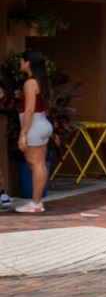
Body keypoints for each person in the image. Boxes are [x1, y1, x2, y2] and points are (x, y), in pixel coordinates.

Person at [14, 50, 53, 213]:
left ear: (28, 62)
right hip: (43, 122)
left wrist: (22, 134)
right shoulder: (42, 80)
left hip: (33, 126)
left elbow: (29, 110)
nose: (20, 63)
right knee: (41, 164)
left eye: (22, 60)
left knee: (35, 165)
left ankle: (35, 203)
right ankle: (37, 202)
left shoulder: (30, 83)